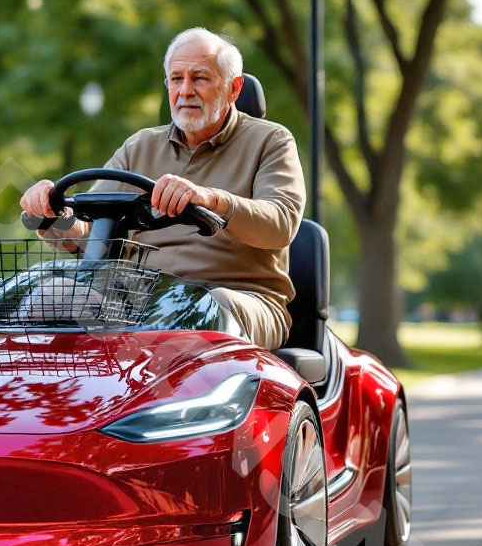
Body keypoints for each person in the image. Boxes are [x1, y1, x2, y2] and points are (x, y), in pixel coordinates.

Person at [18, 28, 305, 349]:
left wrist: (209, 199)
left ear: (234, 88)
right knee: (50, 296)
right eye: (176, 78)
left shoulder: (271, 140)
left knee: (198, 309)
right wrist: (53, 214)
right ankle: (74, 398)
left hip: (238, 298)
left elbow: (280, 225)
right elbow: (92, 231)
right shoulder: (139, 146)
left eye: (200, 78)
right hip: (141, 294)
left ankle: (164, 396)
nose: (186, 90)